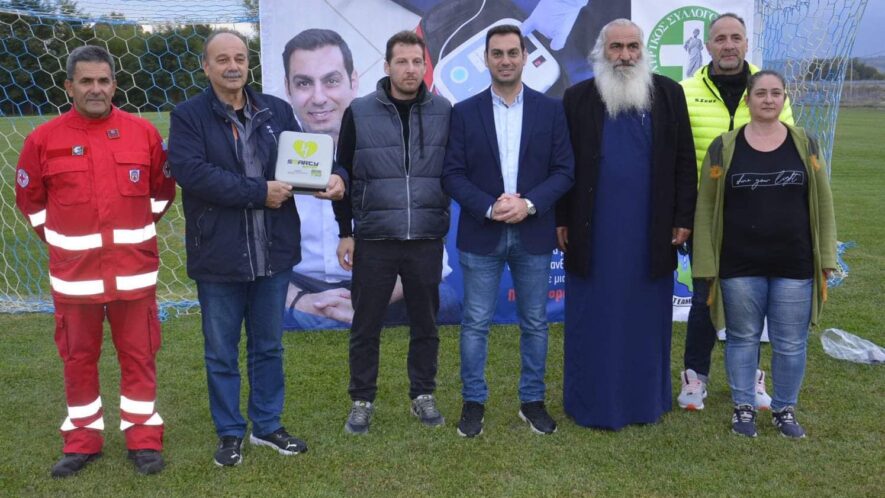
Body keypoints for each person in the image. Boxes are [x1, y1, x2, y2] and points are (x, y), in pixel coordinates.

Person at [168, 29, 342, 466]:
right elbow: (193, 173)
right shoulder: (188, 116)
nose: (233, 66)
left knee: (268, 347)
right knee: (221, 352)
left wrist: (334, 175)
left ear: (249, 64)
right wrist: (258, 192)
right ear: (206, 66)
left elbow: (305, 157)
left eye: (240, 58)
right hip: (218, 255)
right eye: (222, 59)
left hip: (273, 252)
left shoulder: (275, 110)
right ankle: (230, 433)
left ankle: (267, 426)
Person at [15, 45, 175, 477]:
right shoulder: (43, 139)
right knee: (78, 360)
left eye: (103, 80)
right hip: (75, 279)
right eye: (86, 81)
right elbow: (31, 203)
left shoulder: (143, 133)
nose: (96, 89)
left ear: (115, 85)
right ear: (69, 87)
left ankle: (143, 438)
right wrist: (65, 242)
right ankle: (82, 440)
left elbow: (161, 195)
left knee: (139, 357)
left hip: (133, 274)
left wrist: (132, 234)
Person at [556, 19, 696, 430]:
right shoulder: (577, 98)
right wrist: (562, 218)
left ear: (643, 50)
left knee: (645, 318)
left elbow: (684, 160)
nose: (625, 56)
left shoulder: (668, 94)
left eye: (632, 47)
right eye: (616, 47)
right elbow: (563, 166)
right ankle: (592, 401)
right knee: (594, 318)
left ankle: (644, 401)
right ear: (601, 51)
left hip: (650, 231)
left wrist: (682, 217)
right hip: (594, 232)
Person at [442, 25, 574, 438]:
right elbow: (452, 174)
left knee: (534, 322)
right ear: (486, 59)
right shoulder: (464, 112)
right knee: (475, 323)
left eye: (512, 52)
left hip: (533, 232)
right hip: (482, 231)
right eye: (497, 53)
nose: (505, 60)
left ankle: (532, 402)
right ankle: (473, 403)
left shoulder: (551, 110)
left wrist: (528, 204)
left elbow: (564, 171)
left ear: (523, 57)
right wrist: (489, 205)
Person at [280, 28, 459, 329]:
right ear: (287, 88)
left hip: (386, 281)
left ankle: (352, 315)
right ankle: (323, 314)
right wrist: (299, 300)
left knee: (446, 300)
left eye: (331, 80)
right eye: (304, 83)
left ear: (353, 81)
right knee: (290, 311)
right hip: (303, 285)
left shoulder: (394, 143)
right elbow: (261, 252)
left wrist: (368, 301)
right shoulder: (277, 152)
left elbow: (432, 258)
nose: (319, 98)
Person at [692, 70, 836, 438]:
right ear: (748, 100)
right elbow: (706, 207)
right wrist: (706, 263)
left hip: (795, 264)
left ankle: (784, 409)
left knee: (791, 343)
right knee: (743, 338)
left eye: (775, 93)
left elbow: (823, 202)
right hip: (739, 264)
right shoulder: (724, 147)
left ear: (785, 98)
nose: (768, 99)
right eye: (761, 93)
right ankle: (743, 407)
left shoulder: (806, 143)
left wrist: (826, 257)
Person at [332, 30, 452, 435]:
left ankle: (423, 394)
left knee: (426, 324)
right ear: (387, 66)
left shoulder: (444, 111)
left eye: (417, 61)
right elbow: (342, 172)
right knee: (366, 324)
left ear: (425, 66)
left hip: (425, 237)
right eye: (402, 61)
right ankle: (362, 400)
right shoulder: (359, 111)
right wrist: (345, 231)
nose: (410, 69)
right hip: (374, 238)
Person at [678, 12, 794, 412]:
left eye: (736, 38)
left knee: (753, 300)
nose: (728, 45)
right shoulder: (686, 91)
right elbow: (678, 160)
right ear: (708, 46)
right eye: (721, 39)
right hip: (705, 218)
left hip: (758, 217)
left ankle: (751, 378)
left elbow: (787, 147)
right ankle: (695, 377)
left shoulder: (768, 88)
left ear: (747, 43)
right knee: (704, 298)